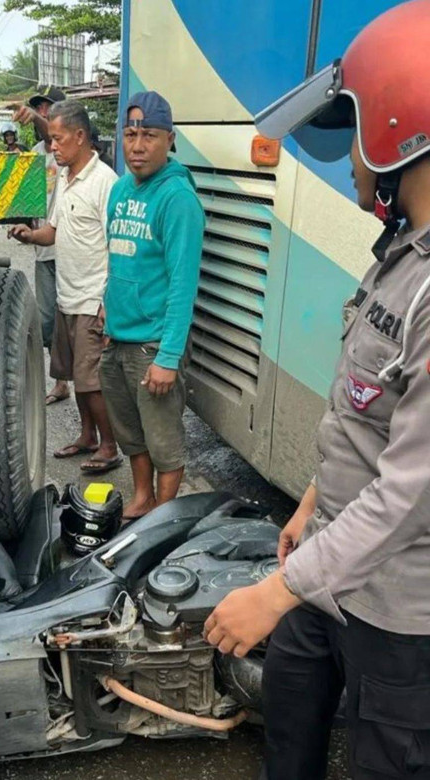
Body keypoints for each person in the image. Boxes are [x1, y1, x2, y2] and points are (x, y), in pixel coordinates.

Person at [202, 4, 430, 778]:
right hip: (332, 570)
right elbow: (362, 415)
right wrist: (308, 502)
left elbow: (412, 492)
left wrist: (275, 593)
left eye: (354, 134)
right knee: (289, 726)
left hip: (398, 610)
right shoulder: (399, 254)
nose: (349, 162)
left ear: (399, 129)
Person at [100, 92, 204, 520]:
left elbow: (183, 284)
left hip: (153, 345)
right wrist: (107, 307)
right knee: (131, 433)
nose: (137, 146)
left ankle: (164, 517)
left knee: (164, 441)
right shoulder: (120, 189)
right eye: (130, 135)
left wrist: (168, 356)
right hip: (118, 338)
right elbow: (118, 258)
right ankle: (143, 497)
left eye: (149, 136)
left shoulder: (178, 199)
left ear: (170, 140)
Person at [9, 101, 122, 473]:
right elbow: (53, 231)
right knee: (75, 374)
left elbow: (118, 247)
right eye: (51, 139)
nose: (52, 146)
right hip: (67, 297)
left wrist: (108, 300)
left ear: (80, 136)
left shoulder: (105, 182)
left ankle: (109, 446)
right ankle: (87, 436)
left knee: (91, 382)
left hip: (92, 299)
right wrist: (30, 236)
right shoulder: (65, 177)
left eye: (58, 139)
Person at [31, 133, 69, 405]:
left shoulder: (68, 154)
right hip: (43, 249)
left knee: (74, 320)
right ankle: (62, 381)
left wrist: (36, 117)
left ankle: (72, 381)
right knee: (46, 321)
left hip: (68, 251)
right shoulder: (34, 154)